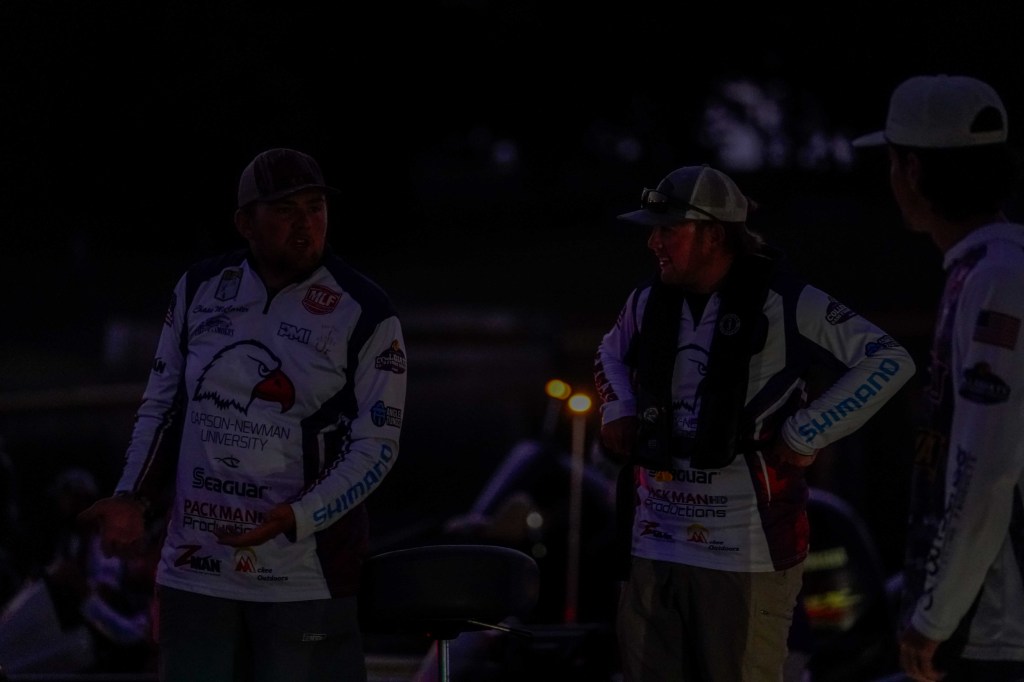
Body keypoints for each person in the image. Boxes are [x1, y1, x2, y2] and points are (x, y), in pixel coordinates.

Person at [78, 147, 408, 682]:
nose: (306, 223)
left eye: (316, 207)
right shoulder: (199, 287)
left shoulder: (366, 310)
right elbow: (161, 405)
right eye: (285, 210)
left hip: (307, 578)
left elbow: (378, 446)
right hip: (194, 572)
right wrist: (130, 497)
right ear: (245, 224)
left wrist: (299, 516)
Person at [593, 164, 916, 681]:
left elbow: (888, 359)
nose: (653, 242)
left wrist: (807, 430)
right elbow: (609, 352)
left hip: (746, 550)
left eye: (669, 229)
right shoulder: (646, 299)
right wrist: (619, 407)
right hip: (653, 543)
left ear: (714, 234)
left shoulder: (789, 300)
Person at [852, 74, 1024, 681]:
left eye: (893, 162)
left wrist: (935, 614)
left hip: (999, 629)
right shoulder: (990, 270)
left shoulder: (996, 279)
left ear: (914, 169)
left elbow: (985, 464)